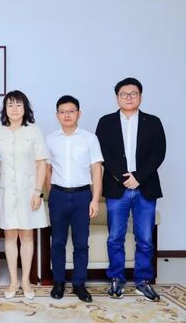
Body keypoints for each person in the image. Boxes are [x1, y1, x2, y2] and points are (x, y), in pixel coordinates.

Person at [96, 77, 166, 302]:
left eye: (133, 93)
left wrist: (139, 177)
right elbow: (102, 152)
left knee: (145, 238)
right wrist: (122, 177)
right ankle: (116, 279)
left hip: (145, 187)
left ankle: (142, 281)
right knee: (115, 237)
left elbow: (159, 153)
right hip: (117, 187)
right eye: (124, 94)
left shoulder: (153, 122)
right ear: (117, 97)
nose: (129, 97)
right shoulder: (106, 122)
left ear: (140, 96)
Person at [45, 95, 103, 303]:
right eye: (62, 112)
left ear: (79, 113)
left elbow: (96, 170)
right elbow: (47, 169)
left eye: (71, 111)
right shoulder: (50, 139)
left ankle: (79, 283)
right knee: (58, 242)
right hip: (58, 196)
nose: (67, 115)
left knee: (81, 243)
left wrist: (95, 199)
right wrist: (52, 193)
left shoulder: (89, 139)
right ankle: (59, 282)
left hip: (82, 196)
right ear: (57, 115)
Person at [0, 90, 48, 300]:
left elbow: (41, 163)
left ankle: (25, 280)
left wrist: (38, 191)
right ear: (4, 109)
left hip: (28, 192)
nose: (14, 109)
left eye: (18, 105)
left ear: (25, 108)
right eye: (10, 105)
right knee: (9, 235)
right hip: (5, 192)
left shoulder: (34, 131)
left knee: (26, 235)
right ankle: (13, 281)